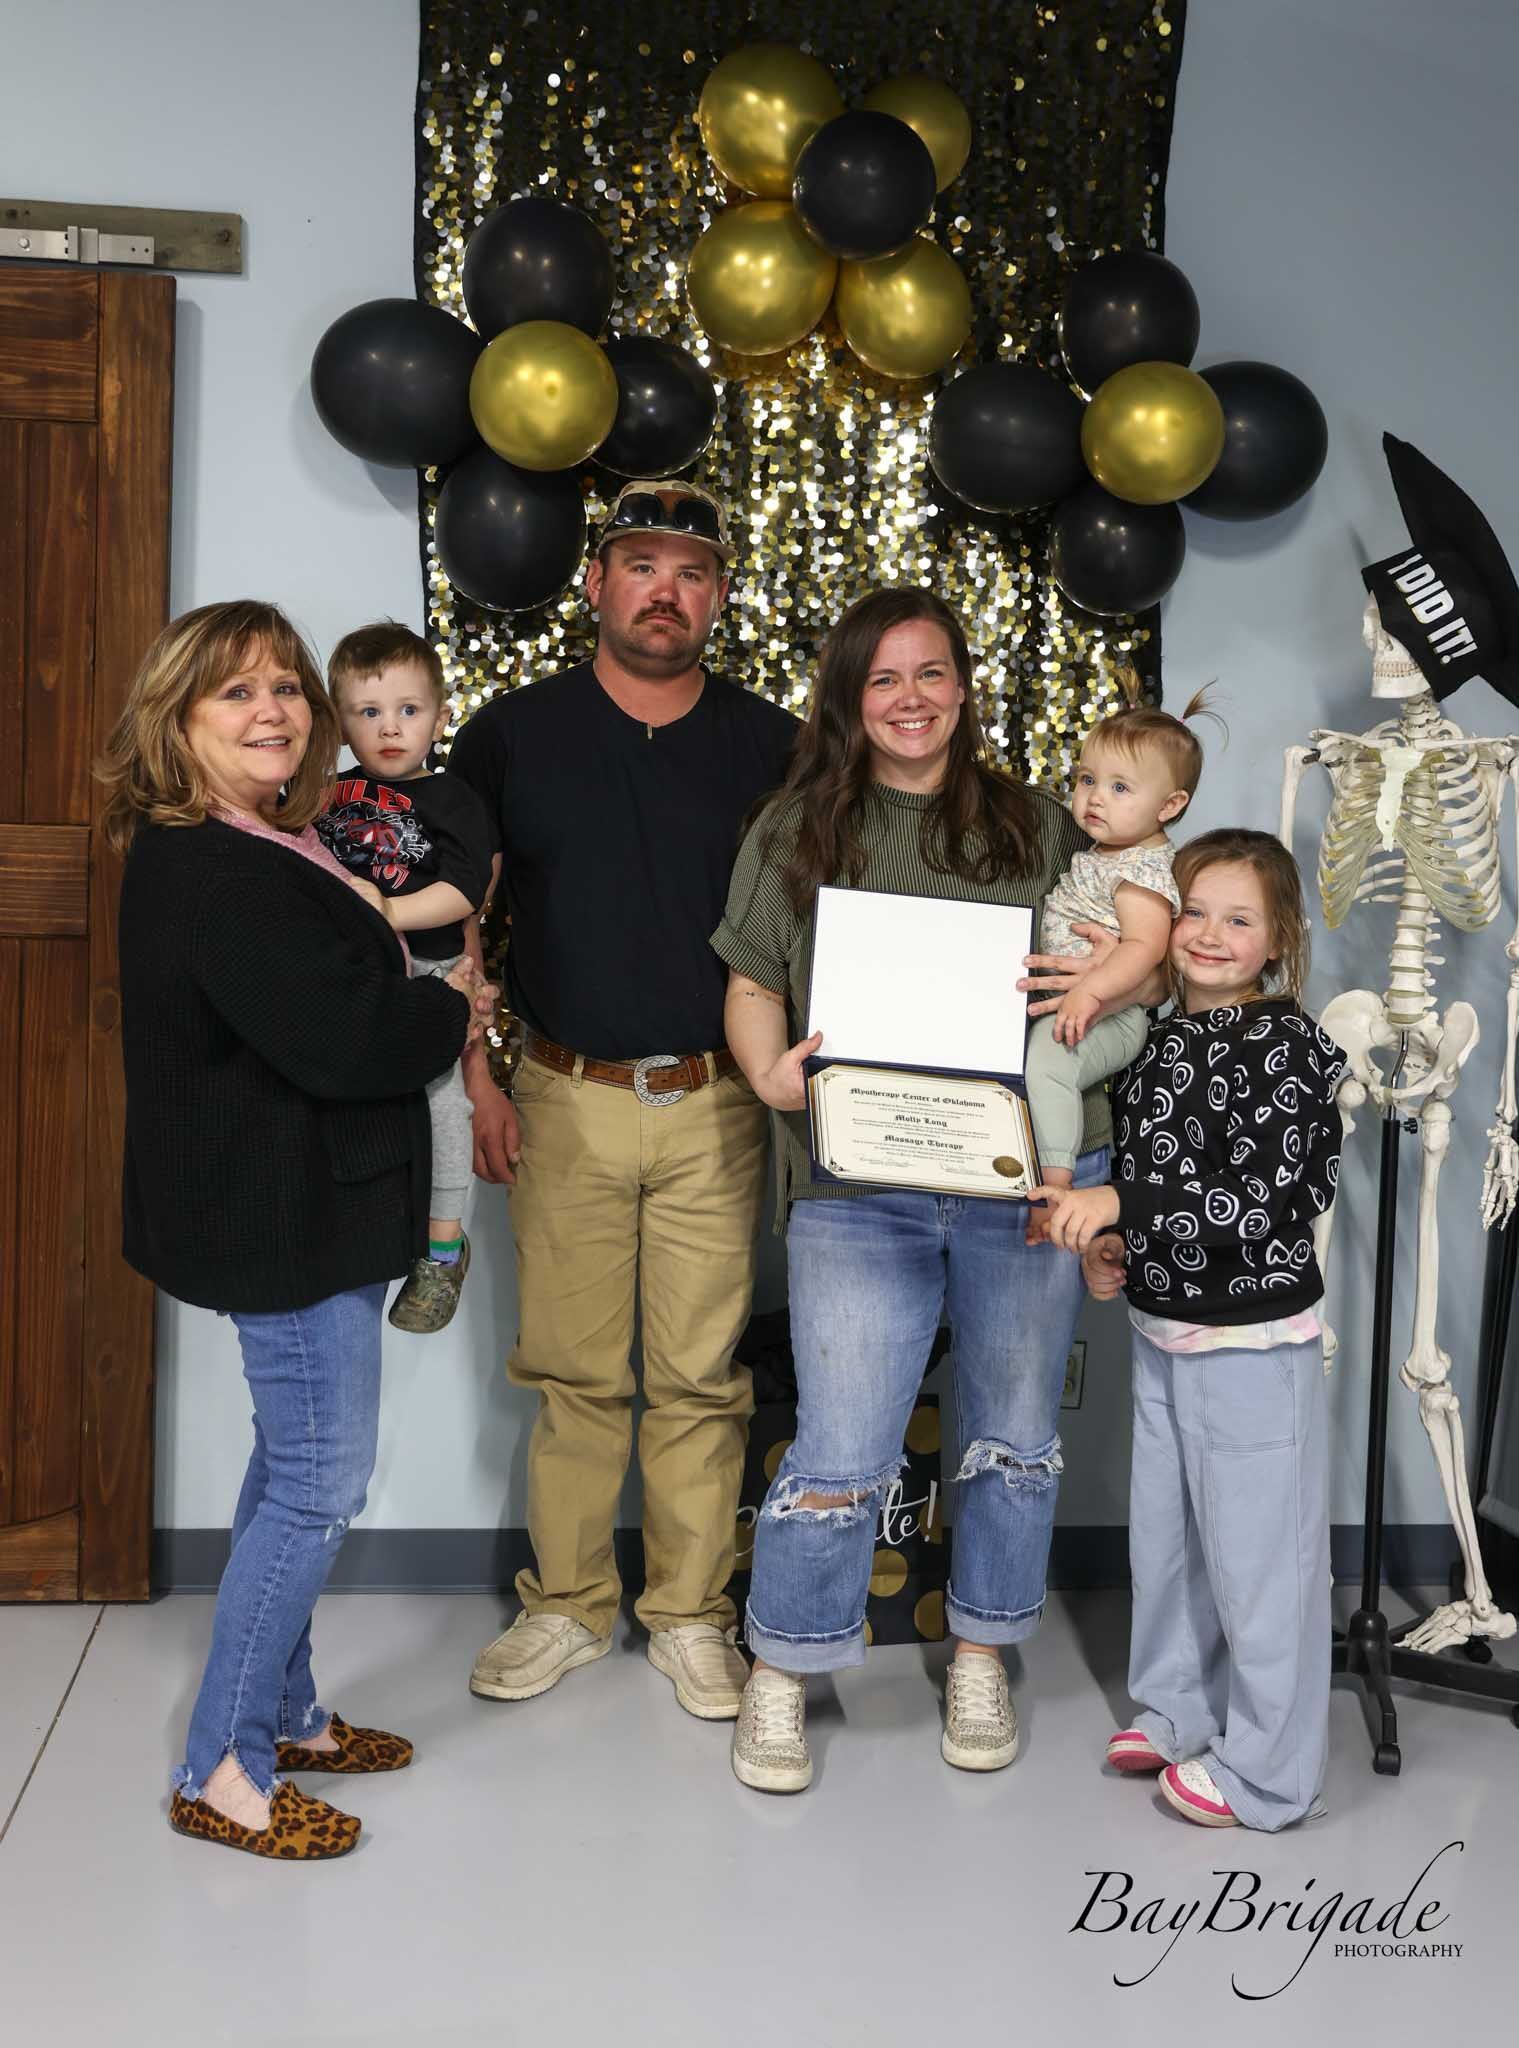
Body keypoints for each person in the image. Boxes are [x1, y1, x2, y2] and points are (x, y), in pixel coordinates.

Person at [100, 600, 493, 1862]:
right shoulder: (215, 866)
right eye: (236, 691)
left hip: (298, 1201)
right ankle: (223, 1765)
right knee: (320, 1479)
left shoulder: (263, 835)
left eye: (284, 685)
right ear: (177, 722)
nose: (271, 709)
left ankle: (292, 1712)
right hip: (283, 1215)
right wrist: (452, 1010)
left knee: (291, 1459)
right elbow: (346, 1038)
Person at [712, 585, 1118, 1795]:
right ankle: (784, 1663)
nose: (908, 698)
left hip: (1022, 1177)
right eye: (882, 677)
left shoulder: (1040, 825)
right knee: (839, 1444)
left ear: (962, 686)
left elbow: (1118, 971)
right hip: (859, 1182)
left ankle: (982, 1648)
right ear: (849, 695)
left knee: (1013, 1438)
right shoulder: (794, 827)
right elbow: (751, 980)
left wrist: (1106, 972)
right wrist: (767, 1073)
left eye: (930, 672)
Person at [447, 480, 800, 1720]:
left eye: (692, 572)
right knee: (573, 1371)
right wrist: (479, 1073)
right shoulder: (513, 733)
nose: (665, 591)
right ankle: (565, 1602)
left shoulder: (773, 745)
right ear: (595, 582)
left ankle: (691, 1614)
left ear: (719, 596)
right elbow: (459, 917)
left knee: (702, 1377)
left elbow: (814, 917)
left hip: (716, 1100)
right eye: (641, 565)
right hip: (562, 1092)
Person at [1040, 829, 1344, 1831]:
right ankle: (1179, 1706)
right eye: (1195, 913)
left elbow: (1265, 1197)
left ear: (1278, 939)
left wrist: (1123, 1202)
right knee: (1170, 1544)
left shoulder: (1288, 1050)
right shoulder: (1159, 1041)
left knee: (1261, 1564)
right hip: (1163, 1327)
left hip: (1251, 1343)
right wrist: (1114, 1244)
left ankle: (1268, 1771)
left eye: (1238, 918)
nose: (1210, 934)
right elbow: (1158, 1182)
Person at [316, 621, 498, 1333]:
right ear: (340, 724)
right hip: (352, 971)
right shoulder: (325, 795)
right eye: (368, 711)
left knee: (442, 1100)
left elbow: (464, 891)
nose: (389, 727)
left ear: (439, 718)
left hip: (429, 968)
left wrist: (389, 910)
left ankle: (443, 1248)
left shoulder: (454, 800)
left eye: (408, 710)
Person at [1022, 688, 1212, 1239]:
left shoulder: (1143, 871)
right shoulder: (1106, 853)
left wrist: (1091, 993)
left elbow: (1143, 948)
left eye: (1120, 788)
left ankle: (1054, 1188)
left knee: (1049, 1064)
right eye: (1087, 780)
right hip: (1085, 1004)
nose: (1095, 799)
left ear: (1169, 806)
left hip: (1113, 1014)